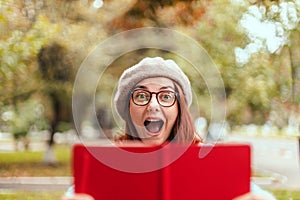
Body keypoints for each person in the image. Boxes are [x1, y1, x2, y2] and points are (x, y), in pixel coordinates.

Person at [62, 57, 276, 200]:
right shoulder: (104, 165)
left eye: (165, 96)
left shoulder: (210, 159)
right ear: (128, 110)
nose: (153, 105)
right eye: (141, 96)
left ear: (179, 109)